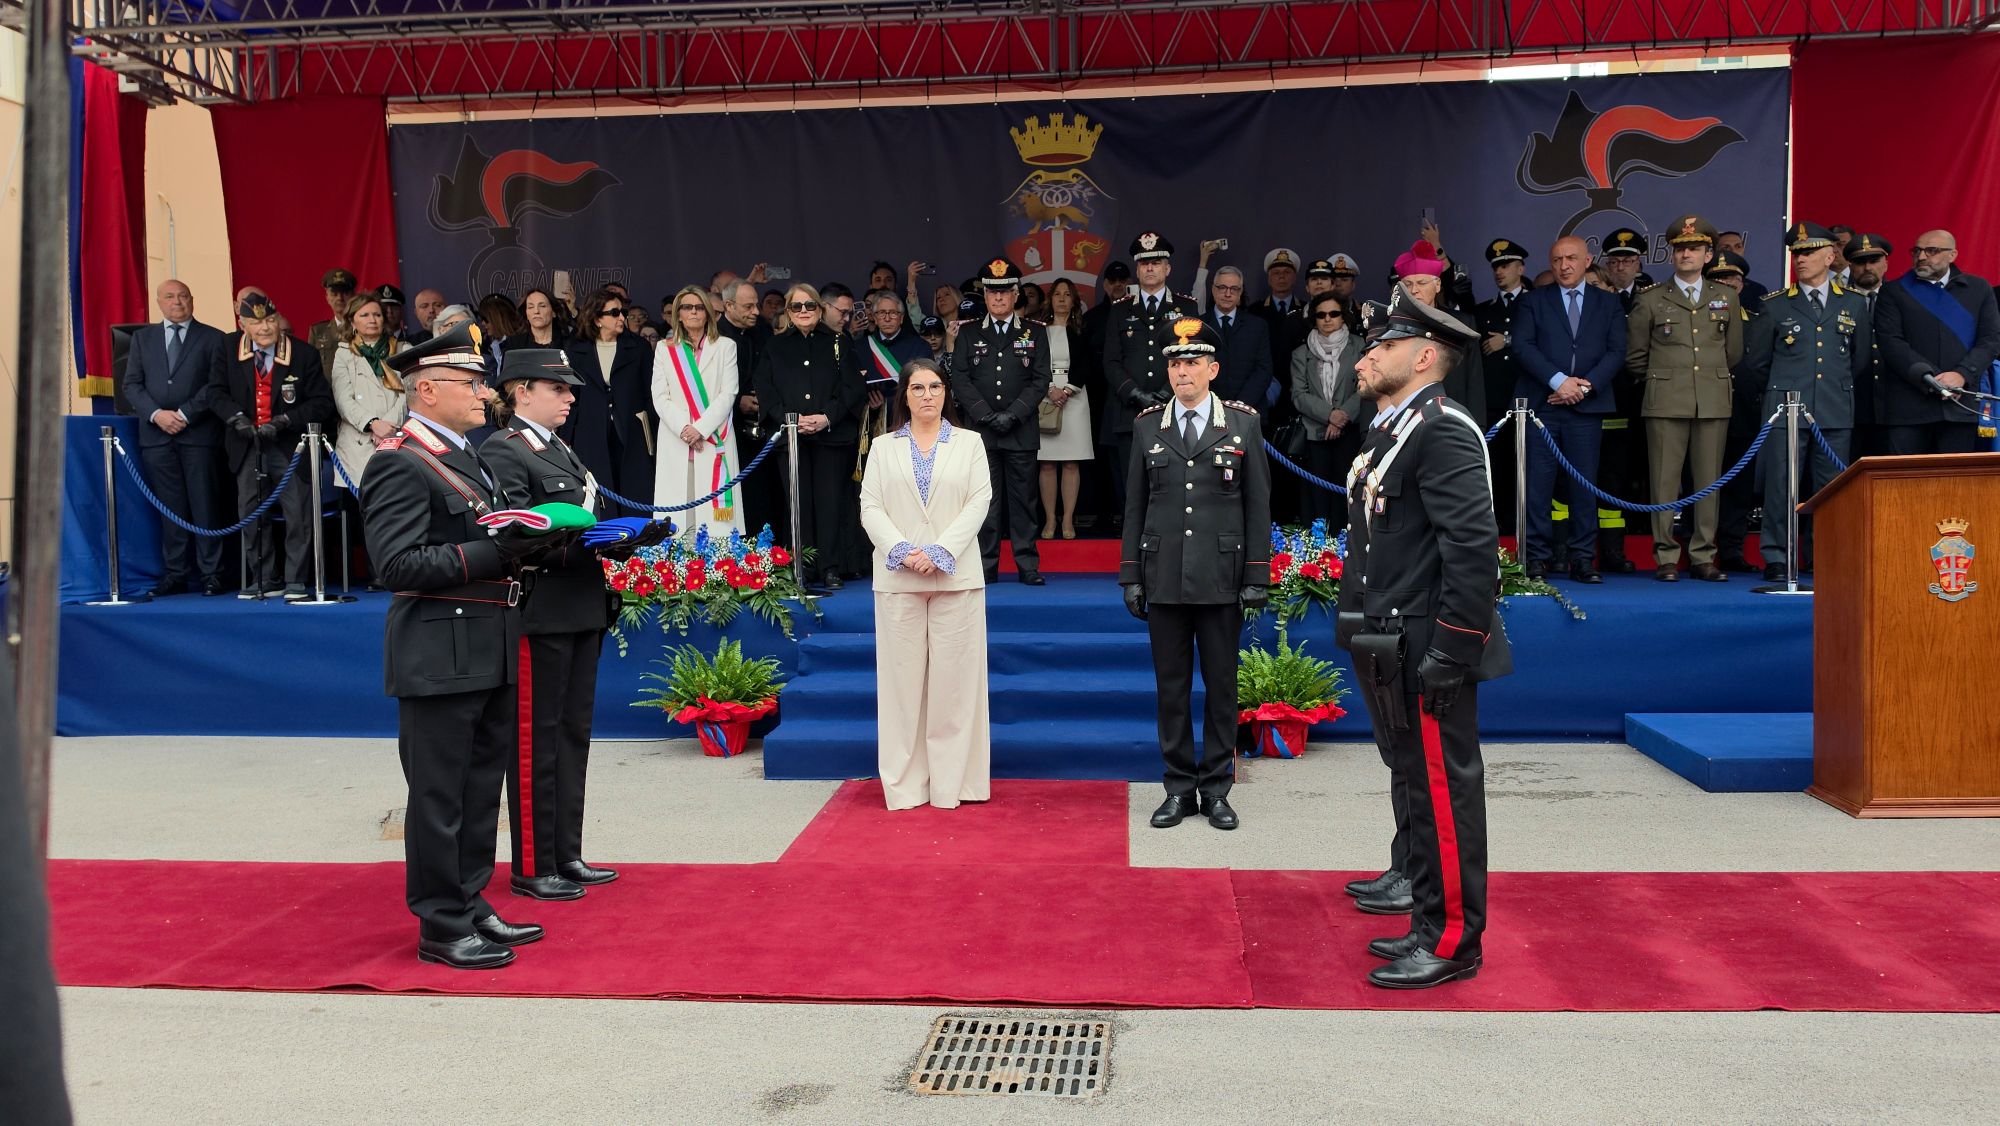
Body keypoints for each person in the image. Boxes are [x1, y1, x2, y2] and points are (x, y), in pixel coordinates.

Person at [362, 322, 552, 970]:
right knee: (440, 796)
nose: (482, 393)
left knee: (477, 792)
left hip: (486, 643)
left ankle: (470, 900)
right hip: (438, 653)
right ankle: (441, 921)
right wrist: (494, 549)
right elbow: (395, 564)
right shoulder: (398, 461)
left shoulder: (463, 456)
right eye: (469, 383)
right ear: (427, 388)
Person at [1336, 294, 1510, 990]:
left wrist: (1454, 649)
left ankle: (1454, 941)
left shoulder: (1444, 429)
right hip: (1396, 640)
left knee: (1445, 792)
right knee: (1419, 780)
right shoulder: (1397, 429)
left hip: (1430, 642)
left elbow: (1472, 552)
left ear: (1426, 356)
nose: (1368, 354)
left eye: (1385, 344)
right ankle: (1426, 920)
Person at [482, 348, 625, 899]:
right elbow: (515, 534)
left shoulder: (557, 446)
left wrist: (621, 538)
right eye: (558, 389)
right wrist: (583, 546)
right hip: (542, 610)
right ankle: (534, 864)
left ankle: (566, 853)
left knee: (572, 736)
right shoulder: (505, 448)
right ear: (522, 391)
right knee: (535, 741)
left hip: (581, 605)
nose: (569, 398)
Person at [1121, 317, 1271, 833]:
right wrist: (1130, 575)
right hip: (1163, 575)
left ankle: (1217, 789)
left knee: (1222, 687)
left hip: (1222, 575)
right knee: (1171, 688)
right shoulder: (1147, 426)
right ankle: (1178, 788)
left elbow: (1257, 505)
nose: (1181, 371)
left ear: (1213, 369)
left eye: (1191, 363)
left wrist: (1256, 575)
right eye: (1174, 363)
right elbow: (1135, 506)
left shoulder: (1241, 424)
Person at [859, 358, 994, 810]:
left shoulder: (971, 443)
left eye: (935, 386)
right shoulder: (882, 447)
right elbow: (870, 506)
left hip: (957, 577)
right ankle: (904, 785)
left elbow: (980, 500)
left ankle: (952, 785)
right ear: (905, 395)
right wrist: (902, 551)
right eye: (918, 388)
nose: (928, 395)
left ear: (946, 393)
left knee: (955, 687)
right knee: (901, 688)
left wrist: (940, 551)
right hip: (898, 578)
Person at [1743, 222, 1872, 580]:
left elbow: (1858, 360)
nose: (1800, 259)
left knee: (1831, 487)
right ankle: (1778, 556)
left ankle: (1825, 553)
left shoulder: (1855, 304)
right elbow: (1757, 364)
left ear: (1830, 257)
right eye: (1796, 253)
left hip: (1833, 405)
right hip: (1785, 408)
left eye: (1809, 252)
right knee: (1782, 484)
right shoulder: (1774, 305)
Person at [1625, 215, 1744, 583]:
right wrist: (1667, 379)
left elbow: (1734, 351)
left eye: (1693, 248)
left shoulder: (1725, 296)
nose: (1686, 254)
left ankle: (1703, 555)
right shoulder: (1651, 299)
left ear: (1709, 255)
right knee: (1664, 480)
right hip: (1665, 398)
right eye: (1679, 249)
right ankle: (1665, 556)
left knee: (1708, 480)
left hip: (1711, 396)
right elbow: (1635, 356)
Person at [1509, 236, 1627, 581]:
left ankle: (1582, 559)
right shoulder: (1534, 301)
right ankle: (1535, 558)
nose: (1564, 265)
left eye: (1571, 258)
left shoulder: (1608, 303)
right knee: (1538, 486)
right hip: (1542, 407)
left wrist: (1584, 386)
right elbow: (1523, 346)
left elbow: (1616, 351)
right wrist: (1559, 381)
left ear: (1587, 260)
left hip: (1586, 409)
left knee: (1583, 486)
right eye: (1557, 259)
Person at [209, 294, 336, 601]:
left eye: (269, 320)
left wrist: (285, 420)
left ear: (278, 319)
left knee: (298, 516)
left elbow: (321, 402)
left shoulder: (302, 353)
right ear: (243, 324)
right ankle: (264, 578)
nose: (264, 328)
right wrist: (236, 419)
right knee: (252, 516)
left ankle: (295, 580)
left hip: (290, 446)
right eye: (255, 322)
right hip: (246, 445)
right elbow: (214, 392)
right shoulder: (226, 349)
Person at [754, 282, 867, 590]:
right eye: (796, 307)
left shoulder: (838, 342)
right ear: (788, 312)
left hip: (831, 437)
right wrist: (791, 420)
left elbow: (852, 389)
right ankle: (802, 566)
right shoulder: (774, 347)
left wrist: (826, 417)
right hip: (790, 439)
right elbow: (765, 390)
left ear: (820, 310)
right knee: (797, 503)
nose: (803, 311)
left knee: (830, 503)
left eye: (810, 306)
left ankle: (830, 566)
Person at [948, 256, 1052, 585]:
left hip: (1020, 428)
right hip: (981, 430)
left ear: (1016, 295)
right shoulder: (967, 333)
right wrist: (986, 415)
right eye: (992, 293)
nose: (998, 299)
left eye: (1005, 293)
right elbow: (960, 379)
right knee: (985, 501)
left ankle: (1027, 564)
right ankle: (986, 563)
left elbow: (1040, 379)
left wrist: (1013, 414)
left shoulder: (1035, 332)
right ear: (985, 296)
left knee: (1024, 500)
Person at [123, 279, 228, 597]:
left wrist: (183, 414)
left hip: (198, 435)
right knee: (171, 509)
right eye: (170, 297)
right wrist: (157, 414)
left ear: (193, 301)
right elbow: (131, 385)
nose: (177, 302)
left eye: (183, 296)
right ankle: (176, 573)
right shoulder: (143, 339)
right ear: (159, 302)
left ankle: (213, 573)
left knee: (205, 506)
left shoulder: (214, 338)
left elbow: (215, 385)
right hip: (157, 437)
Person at [1872, 228, 2000, 455]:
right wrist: (1927, 377)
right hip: (1909, 408)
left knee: (1954, 485)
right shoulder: (1894, 291)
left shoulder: (1979, 289)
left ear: (1952, 255)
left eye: (1932, 251)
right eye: (1917, 251)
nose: (1921, 257)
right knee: (1906, 485)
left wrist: (1961, 374)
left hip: (1960, 405)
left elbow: (1990, 340)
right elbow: (1891, 342)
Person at [1102, 232, 1198, 504]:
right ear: (1137, 269)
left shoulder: (1186, 307)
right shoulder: (1120, 310)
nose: (1151, 268)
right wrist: (1136, 394)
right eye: (1145, 264)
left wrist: (1169, 392)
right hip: (1129, 410)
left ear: (1168, 268)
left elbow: (1193, 358)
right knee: (1132, 489)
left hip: (1175, 408)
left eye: (1156, 262)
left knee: (1172, 484)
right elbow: (1110, 361)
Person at [652, 284, 744, 537]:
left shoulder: (726, 346)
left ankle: (718, 566)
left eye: (699, 307)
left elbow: (729, 393)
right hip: (677, 437)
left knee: (715, 517)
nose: (693, 312)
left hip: (713, 437)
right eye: (687, 307)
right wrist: (685, 429)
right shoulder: (665, 348)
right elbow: (660, 397)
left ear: (708, 313)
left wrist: (701, 429)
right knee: (678, 504)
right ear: (678, 314)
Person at [563, 288, 657, 511]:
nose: (622, 318)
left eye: (622, 312)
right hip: (590, 431)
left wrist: (647, 423)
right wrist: (570, 432)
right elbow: (570, 395)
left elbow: (649, 392)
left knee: (635, 492)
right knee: (599, 494)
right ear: (597, 319)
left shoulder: (638, 348)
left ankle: (637, 541)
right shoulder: (575, 350)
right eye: (614, 313)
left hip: (632, 430)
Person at [1705, 250, 1767, 573]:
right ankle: (1697, 551)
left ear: (1741, 285)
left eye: (1731, 279)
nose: (1725, 284)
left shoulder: (1757, 321)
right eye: (1717, 279)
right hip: (1701, 413)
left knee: (1738, 489)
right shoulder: (1694, 319)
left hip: (1743, 415)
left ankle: (1731, 551)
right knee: (1699, 485)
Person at [1290, 292, 1366, 527]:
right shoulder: (1301, 353)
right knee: (1317, 495)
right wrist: (1330, 416)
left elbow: (1367, 386)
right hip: (1314, 433)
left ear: (1343, 317)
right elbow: (1298, 395)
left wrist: (1341, 417)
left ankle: (1344, 547)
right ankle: (1318, 550)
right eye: (1321, 315)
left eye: (1334, 313)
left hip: (1350, 432)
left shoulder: (1360, 346)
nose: (1327, 319)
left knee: (1345, 492)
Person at [329, 292, 407, 491]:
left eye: (377, 315)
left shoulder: (402, 349)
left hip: (397, 437)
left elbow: (410, 394)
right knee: (359, 515)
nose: (372, 320)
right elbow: (343, 399)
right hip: (357, 446)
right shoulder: (344, 353)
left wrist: (388, 426)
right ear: (352, 321)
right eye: (364, 315)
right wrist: (373, 424)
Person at [1038, 278, 1095, 540]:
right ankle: (1050, 519)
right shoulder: (1038, 329)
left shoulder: (1083, 329)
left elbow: (1088, 362)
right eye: (1057, 294)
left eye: (1067, 294)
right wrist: (1049, 389)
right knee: (1047, 463)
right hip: (1045, 395)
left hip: (1075, 396)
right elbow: (1032, 363)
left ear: (1074, 300)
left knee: (1071, 462)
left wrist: (1068, 389)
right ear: (1050, 299)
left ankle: (1068, 520)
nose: (1062, 299)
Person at [1842, 234, 1894, 458]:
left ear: (1885, 263)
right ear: (1850, 266)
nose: (1867, 267)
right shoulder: (1839, 300)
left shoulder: (1900, 297)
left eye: (1873, 261)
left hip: (1893, 402)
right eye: (1860, 262)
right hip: (1850, 401)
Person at [1204, 266, 1276, 408]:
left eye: (1234, 289)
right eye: (1222, 287)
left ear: (1240, 292)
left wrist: (1241, 404)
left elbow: (1263, 369)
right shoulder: (1198, 325)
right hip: (1208, 408)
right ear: (1213, 290)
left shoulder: (1257, 326)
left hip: (1249, 408)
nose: (1228, 293)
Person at [308, 268, 357, 374]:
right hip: (328, 390)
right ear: (327, 298)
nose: (340, 298)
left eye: (345, 293)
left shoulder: (364, 328)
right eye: (334, 294)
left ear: (354, 296)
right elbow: (310, 369)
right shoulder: (318, 331)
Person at [504, 288, 567, 354]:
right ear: (526, 313)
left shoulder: (568, 344)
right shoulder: (514, 344)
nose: (536, 311)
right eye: (530, 307)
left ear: (554, 312)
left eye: (542, 306)